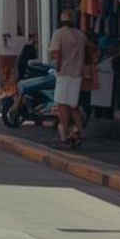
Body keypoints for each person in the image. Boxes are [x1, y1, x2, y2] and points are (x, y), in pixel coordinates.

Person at [49, 12, 89, 148]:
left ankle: (64, 136)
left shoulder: (58, 34)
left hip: (64, 74)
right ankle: (80, 132)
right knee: (73, 106)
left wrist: (58, 68)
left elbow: (56, 53)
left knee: (62, 105)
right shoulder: (80, 35)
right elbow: (91, 49)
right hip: (77, 75)